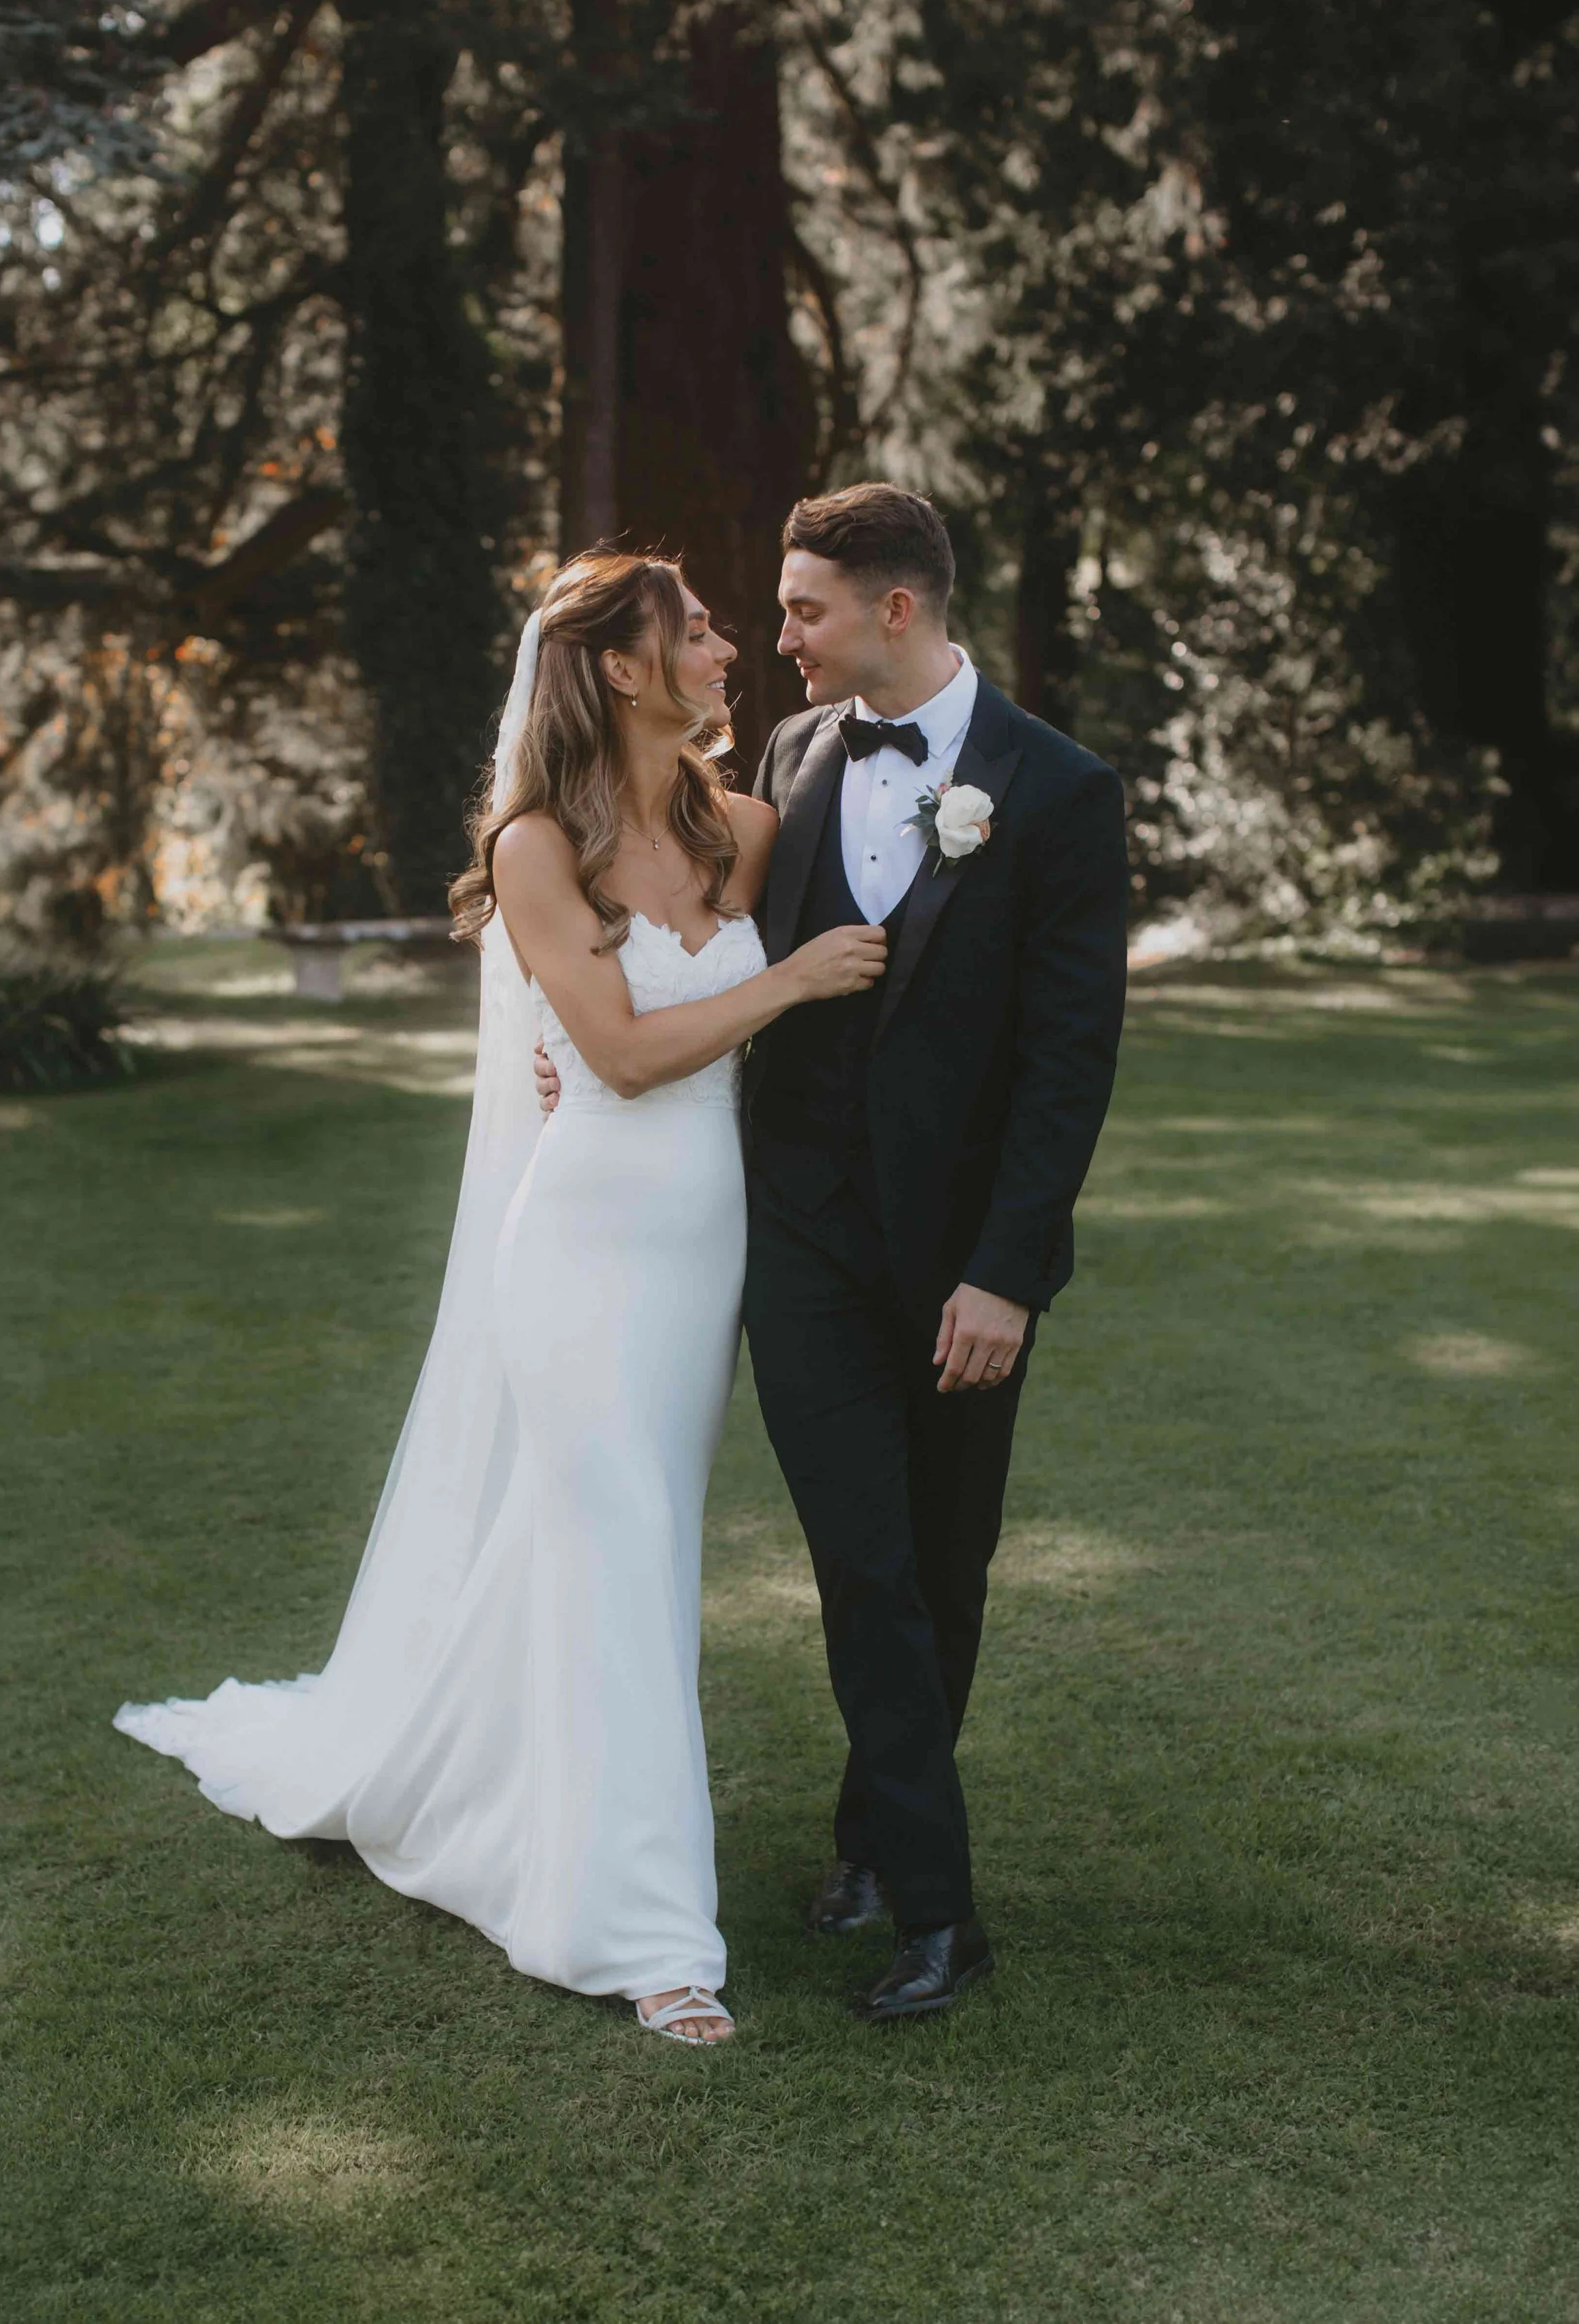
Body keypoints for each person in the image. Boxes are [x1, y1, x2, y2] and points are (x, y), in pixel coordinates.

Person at [114, 550, 884, 2049]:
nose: (729, 645)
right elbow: (616, 1052)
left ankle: (465, 1779)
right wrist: (788, 984)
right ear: (615, 666)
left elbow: (770, 1056)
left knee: (606, 1551)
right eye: (698, 628)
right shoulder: (538, 847)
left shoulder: (747, 827)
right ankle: (645, 1935)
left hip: (702, 1256)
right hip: (581, 1247)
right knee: (623, 1548)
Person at [540, 484, 1128, 2022]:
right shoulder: (787, 767)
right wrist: (572, 1048)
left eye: (799, 609)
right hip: (793, 1240)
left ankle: (875, 1831)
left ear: (894, 609)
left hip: (960, 1263)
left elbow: (1068, 1063)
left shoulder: (1056, 792)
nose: (774, 636)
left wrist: (1006, 1271)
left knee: (944, 1565)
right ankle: (940, 1918)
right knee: (863, 1565)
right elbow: (669, 934)